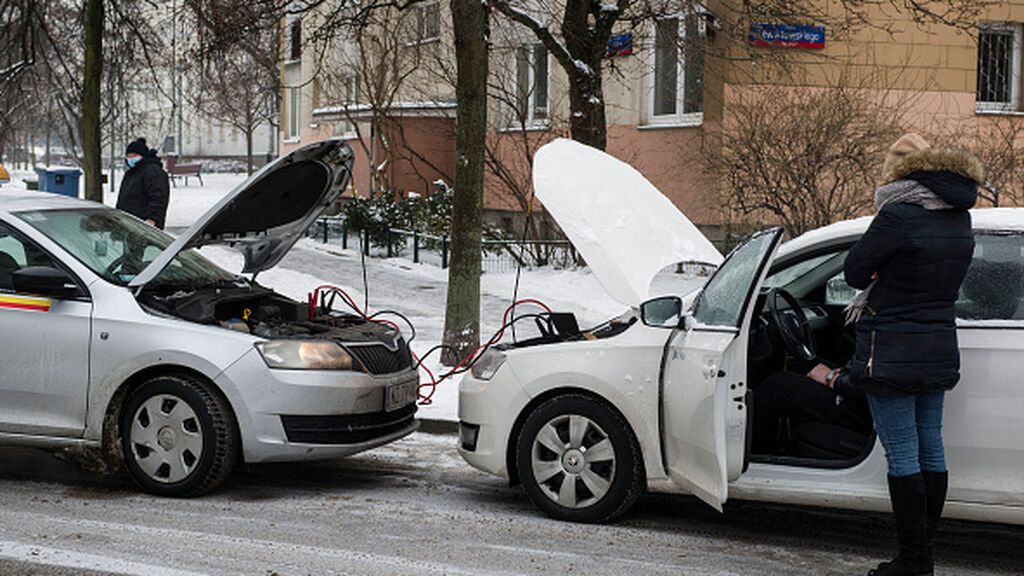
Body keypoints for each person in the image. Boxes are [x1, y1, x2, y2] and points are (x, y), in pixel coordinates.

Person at [807, 133, 982, 576]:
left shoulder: (898, 215)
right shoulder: (959, 216)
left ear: (898, 172)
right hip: (937, 346)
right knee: (931, 450)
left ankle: (915, 564)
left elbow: (852, 271)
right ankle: (920, 556)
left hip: (891, 350)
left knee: (903, 455)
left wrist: (884, 268)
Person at [116, 138, 170, 229]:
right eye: (128, 156)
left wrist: (152, 218)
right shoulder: (131, 173)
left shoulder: (153, 172)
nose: (131, 159)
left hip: (144, 224)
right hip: (128, 222)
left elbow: (158, 197)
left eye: (134, 155)